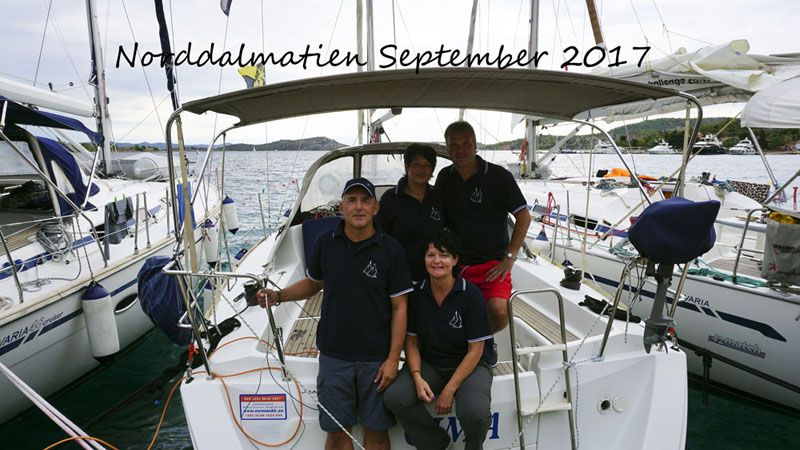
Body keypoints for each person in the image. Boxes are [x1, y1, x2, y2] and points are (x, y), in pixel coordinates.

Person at [258, 177, 413, 450]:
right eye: (351, 200)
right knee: (337, 434)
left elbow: (400, 307)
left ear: (375, 208)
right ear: (341, 207)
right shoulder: (325, 243)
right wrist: (279, 296)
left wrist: (392, 360)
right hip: (334, 357)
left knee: (377, 433)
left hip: (376, 358)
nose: (358, 207)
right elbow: (313, 283)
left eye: (365, 201)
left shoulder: (392, 249)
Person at [384, 229, 495, 450]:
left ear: (455, 260)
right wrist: (417, 377)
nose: (437, 261)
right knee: (395, 397)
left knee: (475, 413)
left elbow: (476, 350)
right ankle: (438, 444)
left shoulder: (471, 295)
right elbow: (411, 342)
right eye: (431, 255)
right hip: (433, 363)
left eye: (444, 255)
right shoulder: (417, 295)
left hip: (471, 364)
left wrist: (448, 390)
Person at [434, 121, 531, 333]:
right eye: (454, 145)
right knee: (442, 309)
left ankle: (481, 343)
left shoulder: (498, 176)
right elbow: (436, 220)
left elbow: (523, 216)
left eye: (465, 144)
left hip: (493, 265)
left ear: (475, 145)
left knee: (499, 312)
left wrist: (509, 257)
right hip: (457, 264)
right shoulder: (445, 177)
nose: (460, 150)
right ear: (448, 149)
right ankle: (462, 344)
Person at [377, 143, 444, 282]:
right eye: (416, 164)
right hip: (399, 275)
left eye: (427, 165)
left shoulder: (440, 198)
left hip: (434, 275)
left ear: (432, 170)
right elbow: (379, 238)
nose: (422, 170)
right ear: (406, 166)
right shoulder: (390, 199)